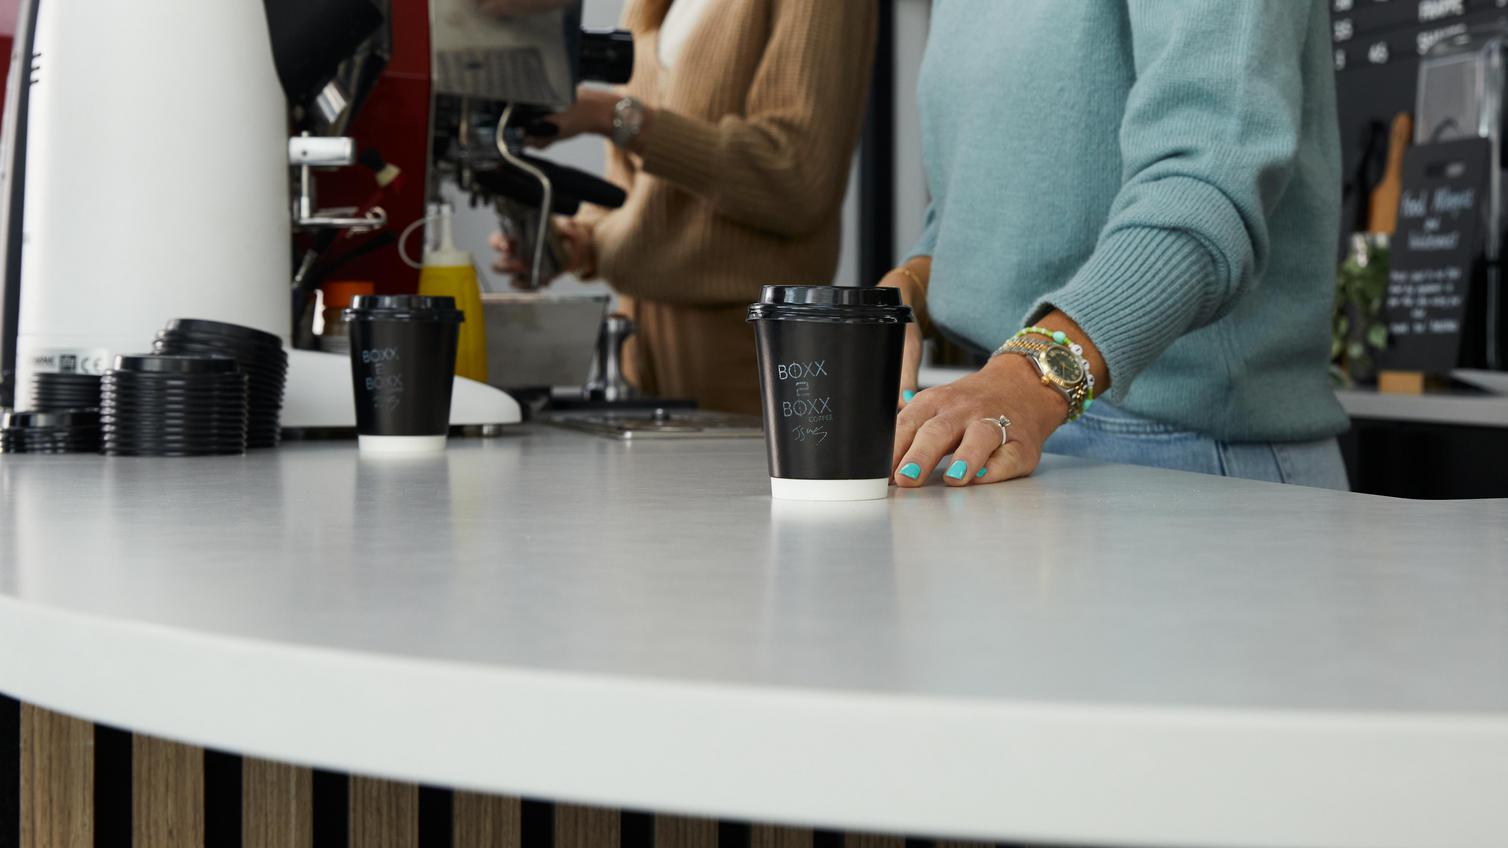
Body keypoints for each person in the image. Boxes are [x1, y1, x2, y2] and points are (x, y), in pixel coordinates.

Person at [883, 0, 1352, 490]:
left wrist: (1033, 378)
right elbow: (983, 215)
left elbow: (1208, 183)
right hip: (994, 433)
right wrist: (905, 289)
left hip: (1179, 450)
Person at [492, 0, 877, 415]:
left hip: (745, 346)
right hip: (633, 339)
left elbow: (796, 177)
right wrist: (578, 243)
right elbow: (633, 193)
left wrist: (609, 116)